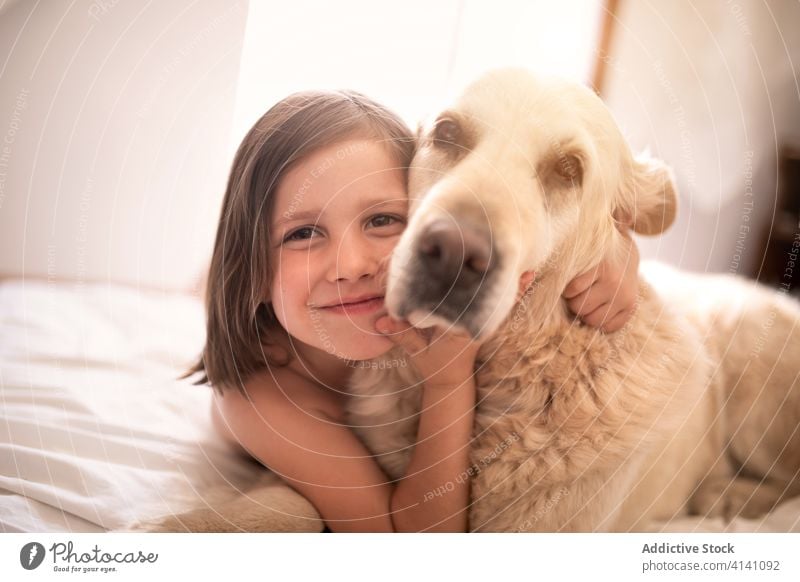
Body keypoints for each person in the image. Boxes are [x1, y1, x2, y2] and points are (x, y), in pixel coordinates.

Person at [181, 90, 640, 532]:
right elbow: (412, 544)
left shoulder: (424, 278)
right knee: (211, 286)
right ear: (255, 270)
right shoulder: (260, 399)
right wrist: (448, 382)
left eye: (382, 220)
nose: (354, 265)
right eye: (303, 233)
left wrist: (617, 253)